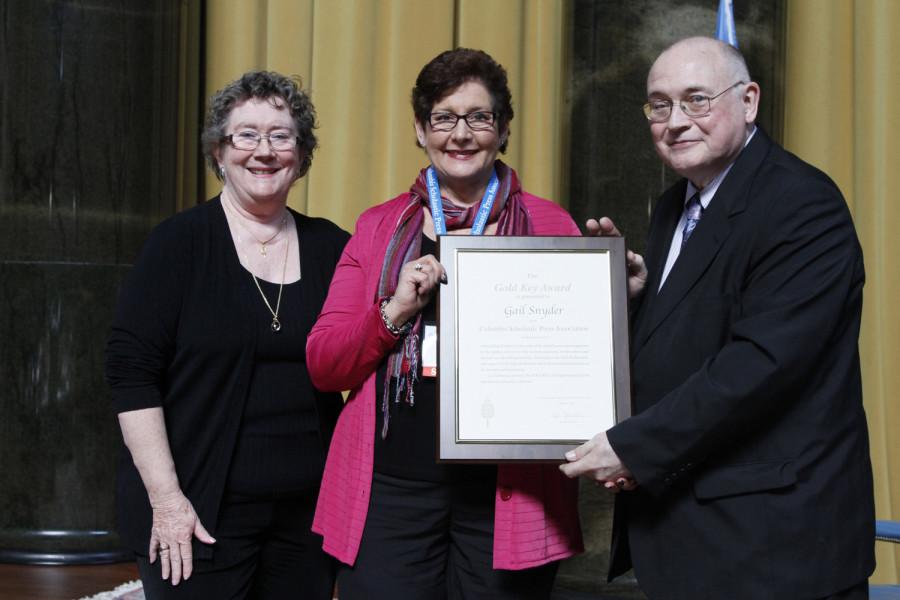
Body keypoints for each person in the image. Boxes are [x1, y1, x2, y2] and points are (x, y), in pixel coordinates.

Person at [561, 37, 875, 599]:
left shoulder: (803, 204)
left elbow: (760, 365)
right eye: (659, 104)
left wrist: (633, 444)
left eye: (697, 100)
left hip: (776, 547)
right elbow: (692, 337)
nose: (676, 121)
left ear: (749, 101)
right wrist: (635, 303)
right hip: (695, 537)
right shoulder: (674, 208)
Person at [306, 48, 583, 599]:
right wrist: (395, 312)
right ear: (420, 129)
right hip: (391, 494)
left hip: (508, 496)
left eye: (479, 117)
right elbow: (325, 362)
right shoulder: (378, 227)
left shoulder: (551, 226)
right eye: (444, 117)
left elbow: (575, 366)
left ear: (503, 130)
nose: (461, 133)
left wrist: (613, 303)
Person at [106, 71, 349, 599]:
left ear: (301, 156)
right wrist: (167, 501)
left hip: (307, 518)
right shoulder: (178, 244)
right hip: (197, 509)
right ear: (219, 151)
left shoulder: (333, 246)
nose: (264, 151)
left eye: (281, 136)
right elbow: (131, 375)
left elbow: (373, 342)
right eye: (246, 135)